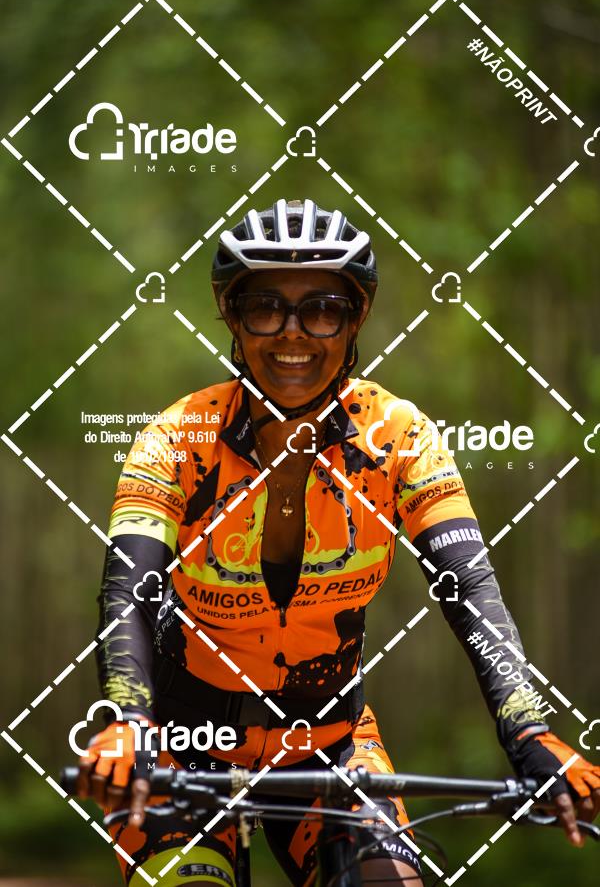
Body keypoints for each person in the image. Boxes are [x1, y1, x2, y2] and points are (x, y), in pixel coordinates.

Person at [77, 199, 600, 886]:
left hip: (330, 744)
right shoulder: (176, 439)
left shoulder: (401, 437)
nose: (293, 334)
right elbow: (130, 590)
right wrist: (128, 719)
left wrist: (530, 732)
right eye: (266, 307)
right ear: (232, 318)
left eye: (323, 309)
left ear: (356, 319)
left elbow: (470, 589)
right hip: (182, 746)